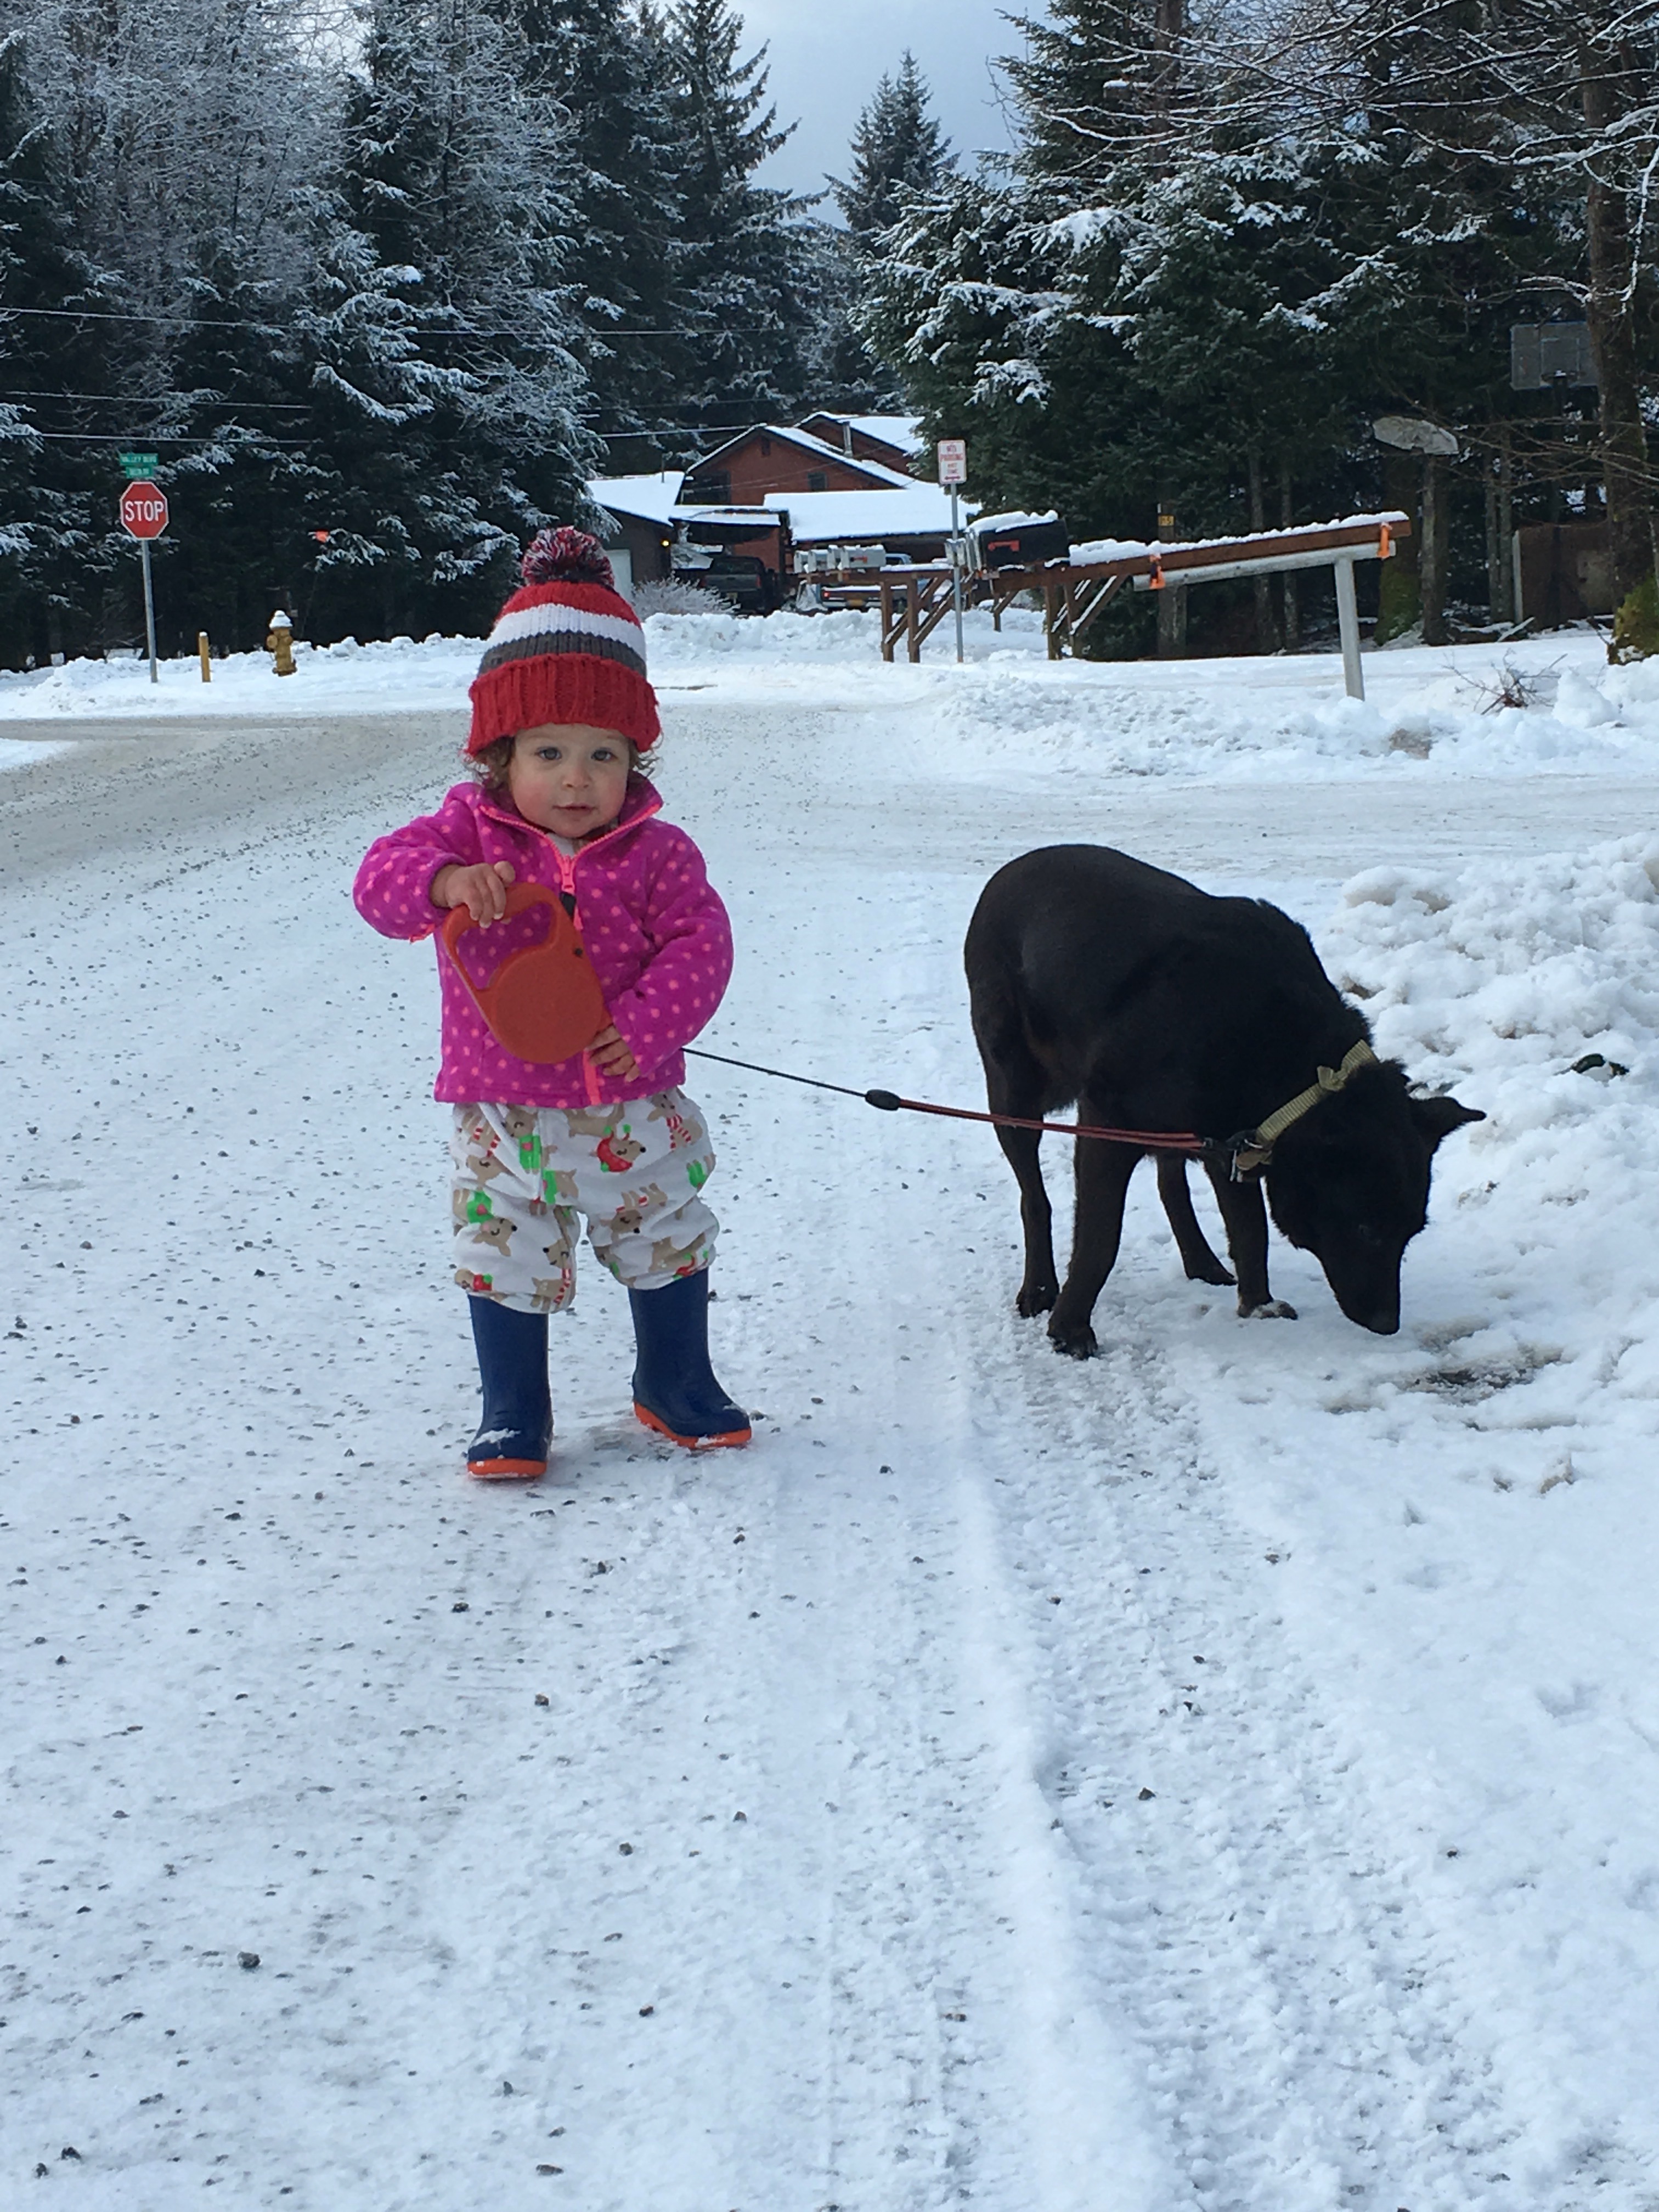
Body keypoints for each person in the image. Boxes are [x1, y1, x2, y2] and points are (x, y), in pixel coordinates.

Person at [353, 526, 748, 1479]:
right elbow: (378, 884)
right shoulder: (465, 833)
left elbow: (701, 946)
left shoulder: (658, 853)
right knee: (503, 1250)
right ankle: (513, 1408)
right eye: (549, 752)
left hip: (629, 1100)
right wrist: (445, 882)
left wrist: (645, 1028)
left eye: (604, 754)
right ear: (501, 756)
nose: (577, 778)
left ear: (636, 761)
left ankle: (674, 1378)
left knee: (664, 1233)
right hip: (503, 1109)